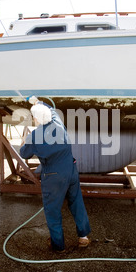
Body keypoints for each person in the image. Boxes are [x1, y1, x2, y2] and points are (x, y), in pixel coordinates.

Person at [20, 97, 91, 252]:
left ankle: (58, 245)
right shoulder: (57, 122)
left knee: (53, 211)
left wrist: (25, 141)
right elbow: (51, 110)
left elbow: (24, 154)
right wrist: (38, 102)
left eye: (33, 117)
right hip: (71, 170)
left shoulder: (34, 136)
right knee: (76, 203)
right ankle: (83, 237)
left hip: (53, 176)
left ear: (37, 119)